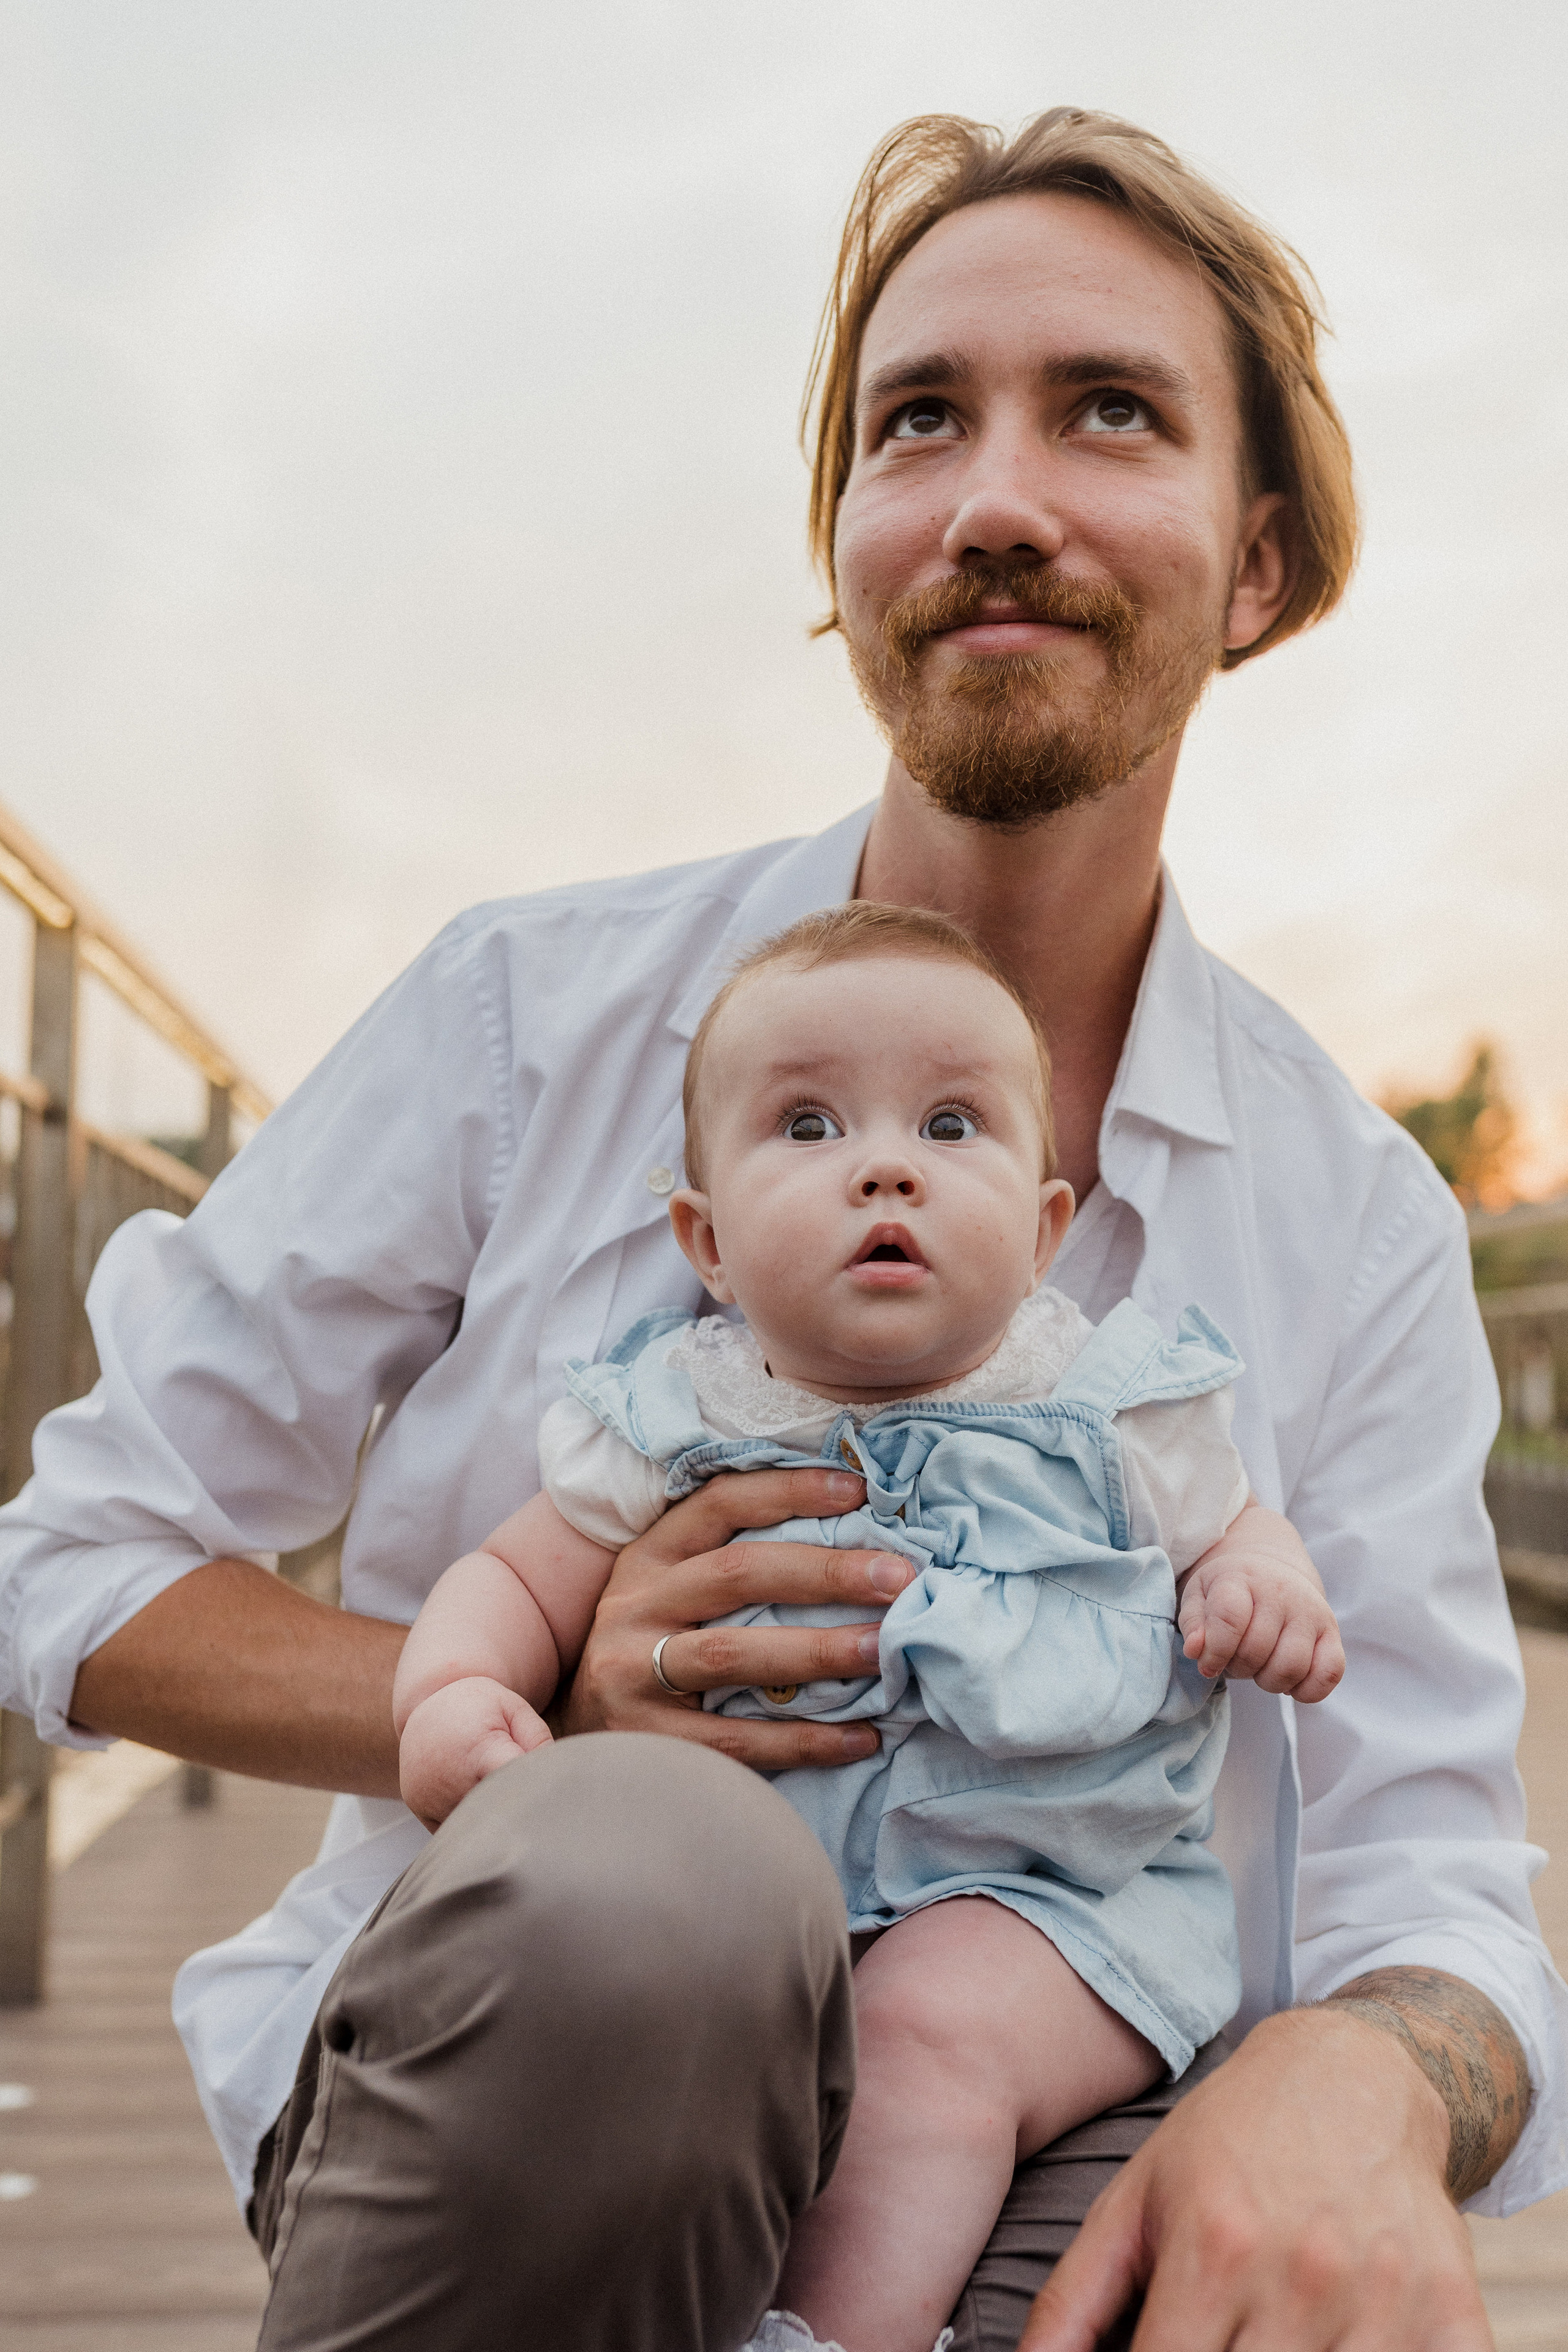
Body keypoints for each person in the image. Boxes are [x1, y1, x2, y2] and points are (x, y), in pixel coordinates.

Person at [0, 104, 1561, 2352]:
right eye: (915, 420)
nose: (995, 495)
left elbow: (1438, 1882)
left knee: (1322, 2263)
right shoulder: (525, 1021)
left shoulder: (1358, 1223)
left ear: (1262, 565)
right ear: (848, 544)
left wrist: (1377, 2072)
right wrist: (532, 1672)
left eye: (1107, 410)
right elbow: (81, 1563)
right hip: (548, 2069)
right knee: (660, 1887)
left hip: (1044, 2074)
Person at [396, 901, 1347, 2352]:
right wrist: (453, 1691)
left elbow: (1236, 1522)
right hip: (743, 1927)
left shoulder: (1107, 1408)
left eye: (952, 1125)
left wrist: (1253, 1586)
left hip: (1049, 1911)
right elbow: (517, 1577)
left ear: (1042, 1233)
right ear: (704, 1241)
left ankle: (831, 2339)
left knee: (917, 2040)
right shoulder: (675, 1416)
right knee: (629, 2054)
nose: (885, 1164)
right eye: (808, 1126)